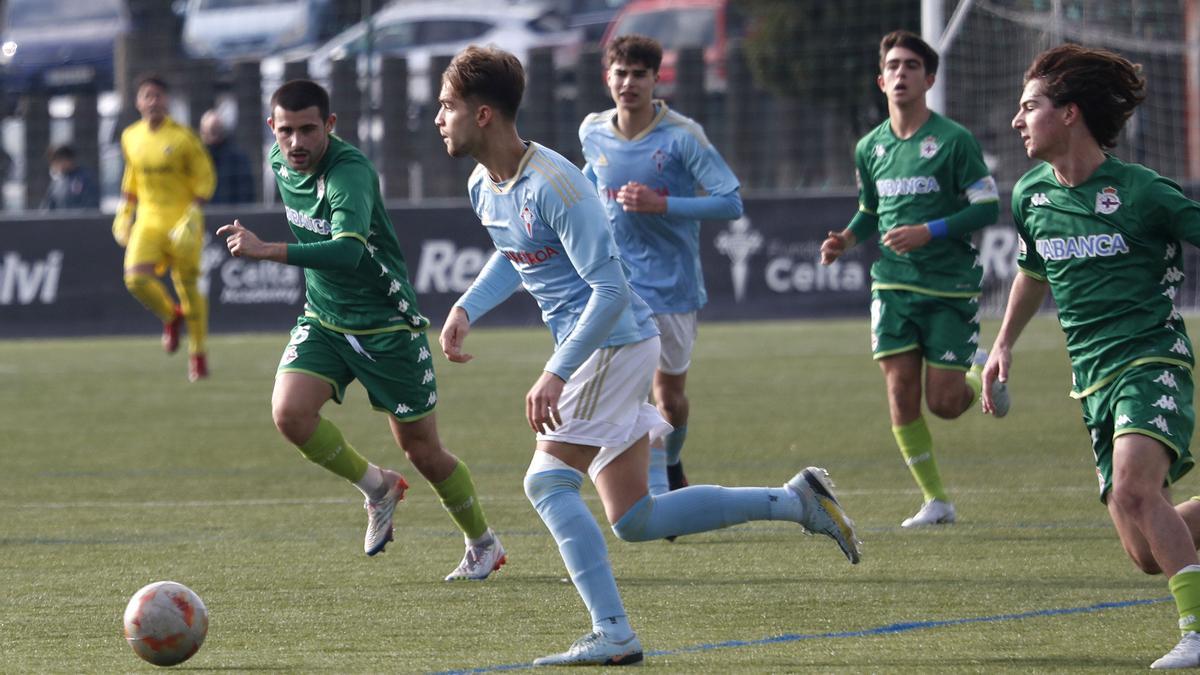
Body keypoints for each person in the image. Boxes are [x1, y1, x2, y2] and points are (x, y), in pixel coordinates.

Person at [435, 45, 861, 667]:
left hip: (614, 340)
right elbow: (515, 250)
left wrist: (555, 373)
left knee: (547, 482)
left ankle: (613, 632)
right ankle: (797, 501)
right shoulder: (484, 185)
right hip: (599, 347)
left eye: (447, 106)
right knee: (634, 516)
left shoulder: (557, 184)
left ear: (483, 115)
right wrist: (467, 307)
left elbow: (609, 294)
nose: (437, 117)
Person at [216, 79, 503, 582]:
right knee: (289, 414)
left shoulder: (350, 175)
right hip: (325, 321)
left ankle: (483, 543)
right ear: (272, 129)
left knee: (424, 453)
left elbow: (348, 252)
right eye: (286, 131)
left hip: (387, 327)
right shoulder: (279, 163)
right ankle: (377, 487)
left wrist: (267, 250)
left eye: (309, 130)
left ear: (330, 125)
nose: (297, 143)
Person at [984, 44, 1200, 670]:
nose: (1017, 121)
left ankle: (1195, 631)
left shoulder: (1144, 192)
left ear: (1070, 114)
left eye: (1029, 107)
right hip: (1092, 381)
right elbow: (1032, 269)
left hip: (1151, 360)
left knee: (1136, 489)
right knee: (1142, 548)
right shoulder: (1031, 195)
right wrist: (1002, 345)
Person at [819, 30, 1007, 528]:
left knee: (944, 404)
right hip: (893, 285)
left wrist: (930, 231)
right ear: (881, 81)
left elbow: (987, 206)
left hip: (948, 286)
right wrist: (846, 240)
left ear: (929, 78)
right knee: (900, 392)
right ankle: (936, 500)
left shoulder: (954, 140)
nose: (901, 74)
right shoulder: (870, 148)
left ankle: (978, 371)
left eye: (910, 66)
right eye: (893, 67)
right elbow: (869, 213)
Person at [578, 34, 742, 502]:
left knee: (667, 398)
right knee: (618, 389)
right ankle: (642, 493)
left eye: (639, 74)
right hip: (615, 285)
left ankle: (670, 465)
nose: (628, 83)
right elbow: (592, 181)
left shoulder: (681, 136)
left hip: (673, 286)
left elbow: (731, 202)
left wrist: (662, 203)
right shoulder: (592, 130)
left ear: (655, 79)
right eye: (620, 73)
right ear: (607, 76)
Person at [114, 74, 216, 382]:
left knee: (189, 289)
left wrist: (195, 212)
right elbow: (131, 178)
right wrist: (125, 212)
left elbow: (205, 177)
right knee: (135, 279)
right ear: (138, 102)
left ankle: (197, 356)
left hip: (182, 222)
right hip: (149, 220)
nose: (153, 101)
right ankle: (171, 316)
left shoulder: (184, 138)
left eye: (159, 96)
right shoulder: (130, 136)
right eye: (148, 96)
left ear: (167, 101)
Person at [200, 109, 256, 205]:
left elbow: (246, 194)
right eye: (211, 130)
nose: (213, 135)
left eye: (216, 130)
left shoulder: (237, 158)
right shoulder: (197, 159)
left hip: (231, 214)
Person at [41, 143, 99, 210]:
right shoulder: (56, 183)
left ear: (68, 160)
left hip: (79, 220)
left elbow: (91, 207)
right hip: (60, 220)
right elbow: (47, 207)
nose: (55, 165)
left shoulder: (85, 179)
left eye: (57, 160)